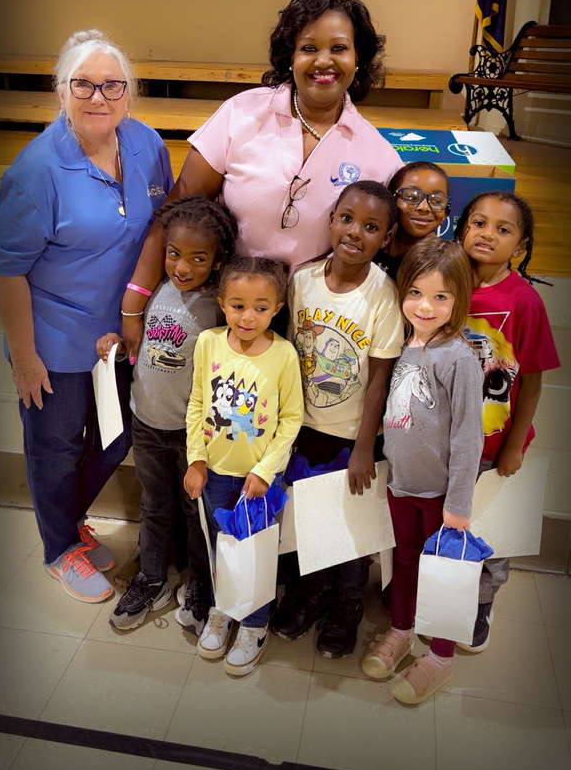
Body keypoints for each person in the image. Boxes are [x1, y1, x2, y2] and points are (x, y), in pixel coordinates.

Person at [121, 0, 403, 357]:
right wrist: (133, 302)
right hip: (222, 307)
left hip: (309, 325)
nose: (323, 60)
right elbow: (176, 213)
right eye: (308, 47)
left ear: (358, 58)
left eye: (338, 48)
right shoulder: (241, 114)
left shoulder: (379, 156)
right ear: (289, 56)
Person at [0, 29, 172, 602]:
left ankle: (66, 524)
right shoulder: (36, 170)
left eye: (112, 85)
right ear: (62, 91)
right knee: (57, 445)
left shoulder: (146, 145)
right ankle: (58, 548)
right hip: (55, 338)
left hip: (122, 332)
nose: (99, 97)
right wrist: (24, 358)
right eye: (84, 85)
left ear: (129, 92)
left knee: (118, 439)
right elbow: (7, 270)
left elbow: (159, 227)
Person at [270, 180, 405, 658]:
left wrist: (366, 447)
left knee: (350, 527)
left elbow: (378, 380)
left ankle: (348, 603)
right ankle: (314, 591)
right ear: (330, 220)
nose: (354, 232)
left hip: (354, 438)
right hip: (305, 430)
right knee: (310, 522)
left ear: (386, 239)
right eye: (346, 219)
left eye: (371, 227)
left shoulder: (382, 295)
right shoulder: (302, 280)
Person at [95, 196, 238, 630]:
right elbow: (139, 349)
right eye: (174, 254)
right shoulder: (154, 291)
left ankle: (199, 583)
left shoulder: (219, 306)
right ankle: (152, 578)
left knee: (196, 513)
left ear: (216, 262)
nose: (182, 267)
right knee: (156, 507)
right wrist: (113, 345)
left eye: (198, 258)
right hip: (147, 424)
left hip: (192, 435)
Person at [361, 237, 483, 705]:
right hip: (401, 485)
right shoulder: (404, 343)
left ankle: (442, 656)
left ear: (458, 300)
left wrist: (458, 504)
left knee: (442, 573)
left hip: (440, 497)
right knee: (406, 562)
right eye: (415, 292)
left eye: (440, 297)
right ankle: (402, 630)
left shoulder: (459, 359)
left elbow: (467, 437)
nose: (425, 306)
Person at [184, 257, 304, 676]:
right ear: (221, 303)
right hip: (215, 472)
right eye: (237, 305)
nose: (247, 316)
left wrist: (266, 470)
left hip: (260, 480)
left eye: (260, 306)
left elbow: (291, 418)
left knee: (256, 553)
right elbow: (198, 403)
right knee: (221, 549)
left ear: (277, 308)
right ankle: (222, 609)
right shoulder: (208, 343)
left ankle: (254, 623)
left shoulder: (284, 354)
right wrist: (196, 459)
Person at [455, 191, 560, 652]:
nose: (488, 234)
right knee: (446, 522)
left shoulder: (525, 301)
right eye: (479, 223)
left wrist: (514, 444)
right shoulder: (443, 283)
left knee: (489, 535)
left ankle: (480, 603)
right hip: (443, 440)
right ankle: (442, 590)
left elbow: (533, 383)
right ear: (462, 229)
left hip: (494, 446)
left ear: (520, 245)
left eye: (503, 229)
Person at [375, 160, 451, 280]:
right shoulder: (371, 245)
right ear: (392, 202)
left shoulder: (443, 263)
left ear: (446, 212)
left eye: (436, 201)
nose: (424, 208)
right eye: (412, 197)